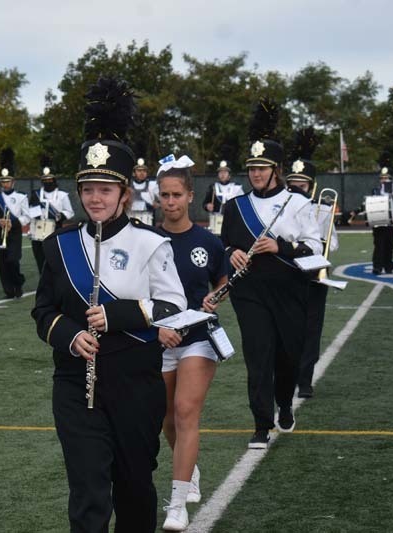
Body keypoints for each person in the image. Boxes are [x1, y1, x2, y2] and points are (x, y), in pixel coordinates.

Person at [31, 76, 186, 533]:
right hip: (76, 384)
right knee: (89, 493)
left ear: (124, 193)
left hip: (137, 382)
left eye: (105, 189)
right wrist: (70, 334)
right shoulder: (59, 247)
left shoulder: (150, 242)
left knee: (135, 489)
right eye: (88, 188)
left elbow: (175, 306)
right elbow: (42, 313)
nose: (95, 198)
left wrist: (119, 315)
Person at [209, 97, 322, 449]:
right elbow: (222, 245)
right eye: (252, 168)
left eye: (263, 167)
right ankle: (260, 423)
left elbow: (316, 249)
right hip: (250, 292)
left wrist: (281, 247)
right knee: (258, 356)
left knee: (286, 356)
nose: (256, 174)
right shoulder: (235, 206)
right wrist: (233, 253)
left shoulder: (299, 203)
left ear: (277, 169)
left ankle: (285, 403)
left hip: (290, 290)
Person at [155, 154, 228, 531]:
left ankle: (177, 504)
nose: (170, 202)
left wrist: (217, 297)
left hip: (200, 338)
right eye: (164, 195)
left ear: (190, 196)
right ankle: (191, 468)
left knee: (185, 411)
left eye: (177, 194)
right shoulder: (146, 240)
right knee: (167, 420)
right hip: (161, 339)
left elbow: (221, 281)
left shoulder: (207, 242)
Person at [284, 128, 339, 399]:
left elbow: (334, 245)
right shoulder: (282, 207)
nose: (295, 189)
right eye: (291, 183)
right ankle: (288, 374)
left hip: (315, 278)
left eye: (301, 185)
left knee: (311, 330)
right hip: (288, 276)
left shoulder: (324, 209)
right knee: (288, 329)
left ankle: (305, 379)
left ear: (312, 186)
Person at [0, 148, 31, 298]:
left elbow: (27, 216)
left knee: (13, 260)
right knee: (3, 263)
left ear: (13, 181)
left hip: (15, 232)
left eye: (7, 181)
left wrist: (14, 223)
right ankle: (8, 290)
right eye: (3, 181)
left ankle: (18, 283)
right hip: (1, 232)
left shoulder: (21, 197)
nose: (5, 184)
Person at [29, 163, 74, 273]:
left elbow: (70, 212)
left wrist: (60, 216)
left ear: (54, 180)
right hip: (38, 229)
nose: (47, 182)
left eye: (49, 179)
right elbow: (31, 210)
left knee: (54, 259)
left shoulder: (62, 195)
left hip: (55, 230)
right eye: (45, 180)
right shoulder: (35, 194)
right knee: (40, 260)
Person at [129, 158, 159, 225]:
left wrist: (158, 204)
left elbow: (162, 197)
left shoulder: (152, 185)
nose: (142, 173)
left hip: (147, 219)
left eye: (144, 171)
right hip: (131, 217)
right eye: (139, 171)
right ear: (134, 173)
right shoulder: (128, 186)